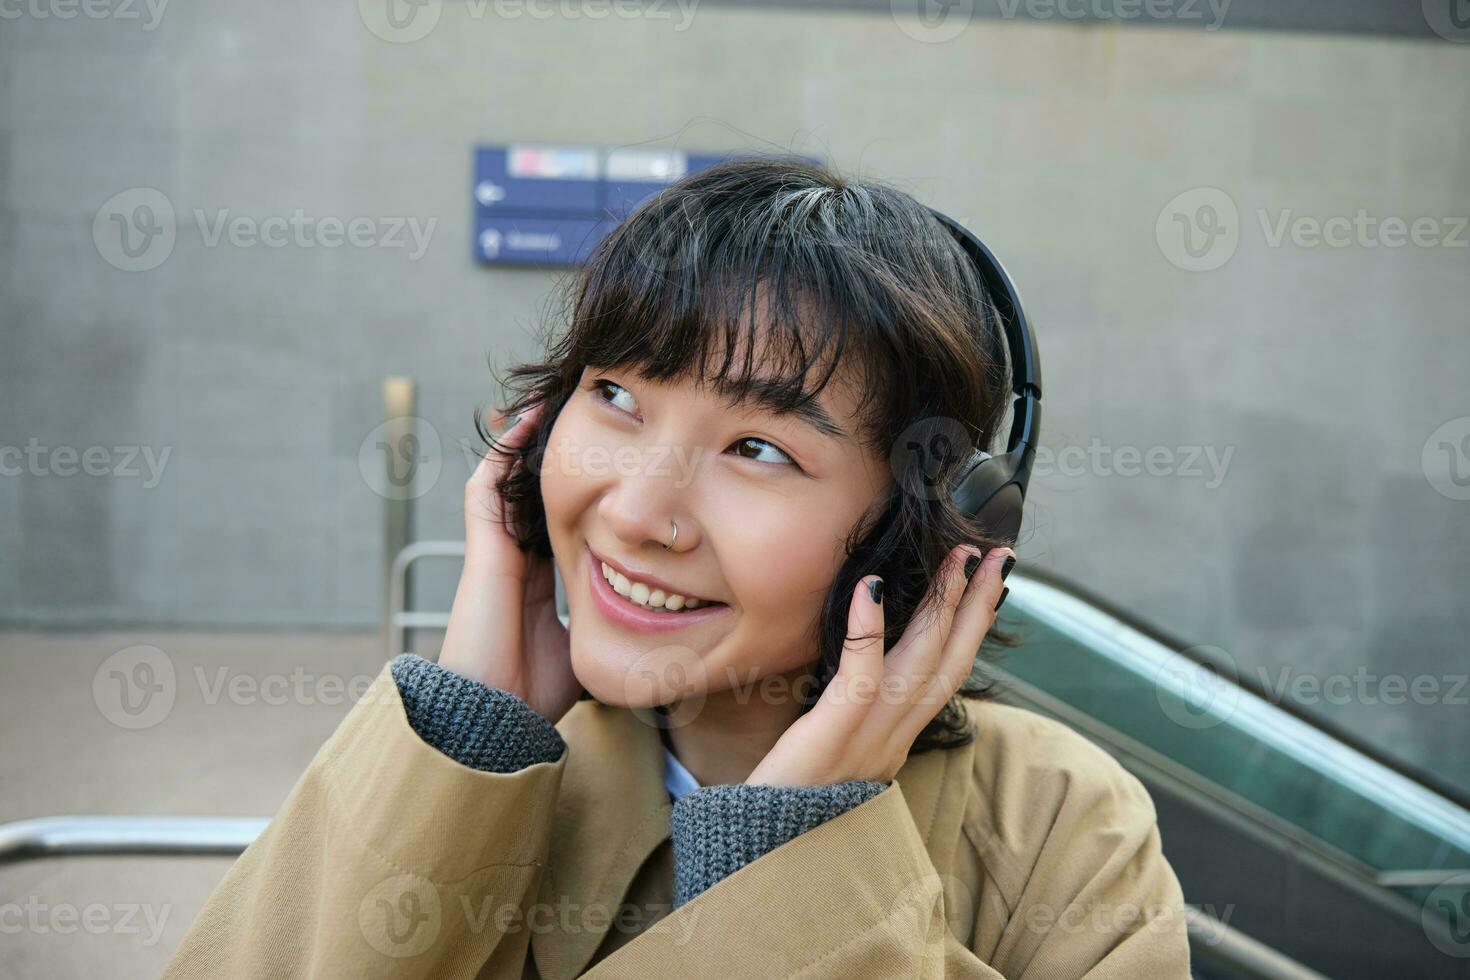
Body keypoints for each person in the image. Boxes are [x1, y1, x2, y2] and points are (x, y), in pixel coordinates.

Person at [162, 158, 1192, 978]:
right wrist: (460, 737)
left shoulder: (1057, 822)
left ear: (925, 531)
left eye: (759, 450)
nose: (639, 510)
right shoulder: (473, 762)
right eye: (616, 395)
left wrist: (794, 863)